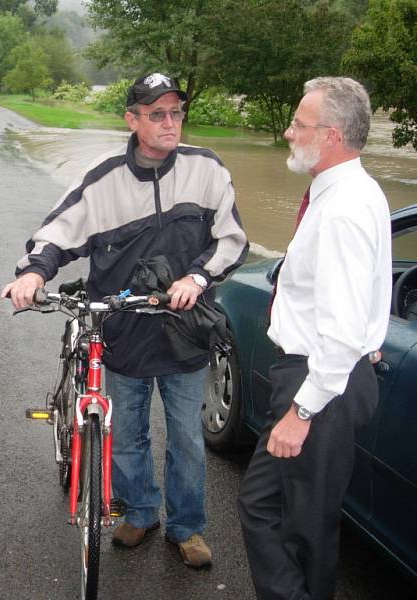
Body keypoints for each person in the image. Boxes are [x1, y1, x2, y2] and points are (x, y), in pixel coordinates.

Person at [2, 72, 248, 567]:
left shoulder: (207, 168)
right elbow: (57, 232)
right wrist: (32, 273)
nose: (170, 122)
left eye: (176, 112)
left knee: (186, 437)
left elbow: (232, 240)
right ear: (132, 119)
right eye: (157, 114)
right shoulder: (103, 177)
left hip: (184, 329)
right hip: (122, 329)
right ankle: (140, 512)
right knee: (127, 432)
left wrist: (197, 279)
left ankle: (187, 528)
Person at [238, 77, 391, 600]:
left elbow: (345, 332)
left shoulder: (344, 208)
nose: (287, 133)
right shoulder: (349, 192)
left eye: (298, 125)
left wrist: (301, 413)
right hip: (321, 379)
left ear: (329, 135)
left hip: (320, 383)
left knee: (295, 525)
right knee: (281, 514)